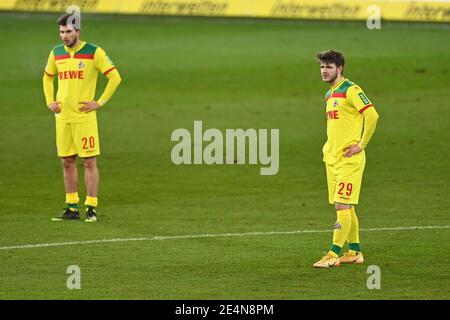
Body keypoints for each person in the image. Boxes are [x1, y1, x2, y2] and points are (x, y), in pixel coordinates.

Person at [43, 12, 121, 222]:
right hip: (62, 118)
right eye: (61, 32)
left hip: (84, 118)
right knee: (67, 161)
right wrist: (49, 100)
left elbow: (115, 77)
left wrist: (99, 102)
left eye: (68, 32)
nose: (64, 36)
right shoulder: (56, 53)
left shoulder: (94, 52)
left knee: (88, 162)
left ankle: (91, 207)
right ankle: (71, 207)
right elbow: (47, 77)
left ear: (78, 31)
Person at [314, 50, 379, 268]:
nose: (324, 71)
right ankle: (355, 252)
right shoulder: (329, 94)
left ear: (339, 69)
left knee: (342, 205)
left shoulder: (351, 90)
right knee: (346, 207)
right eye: (322, 67)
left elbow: (372, 115)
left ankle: (333, 254)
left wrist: (361, 145)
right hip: (332, 159)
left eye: (329, 67)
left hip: (349, 159)